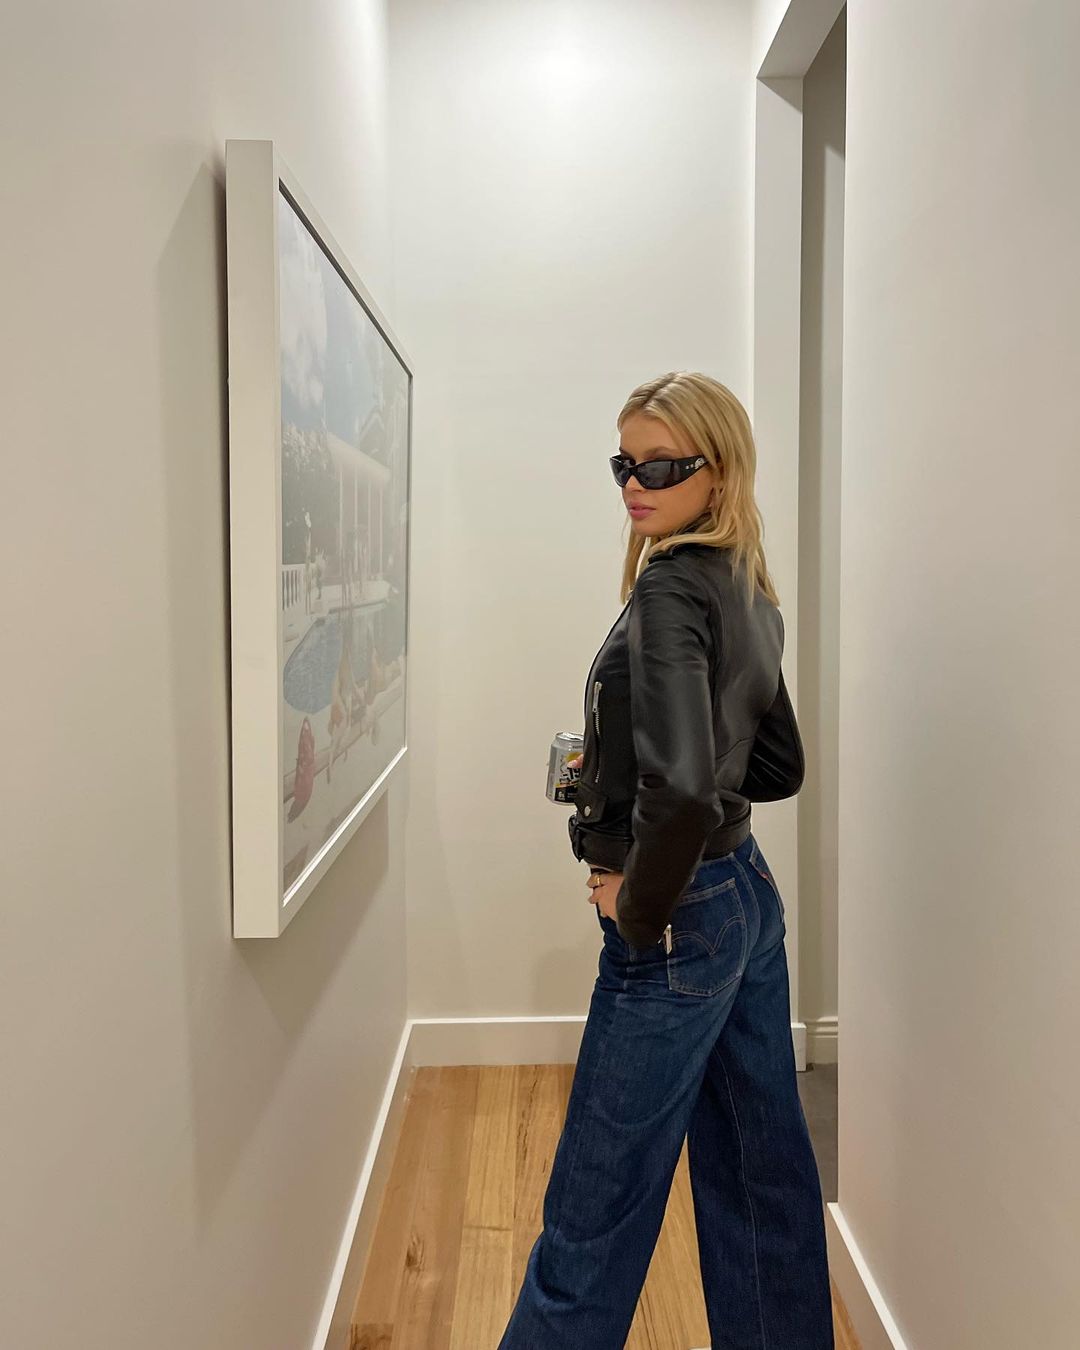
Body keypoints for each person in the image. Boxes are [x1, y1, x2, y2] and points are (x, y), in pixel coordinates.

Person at [497, 372, 834, 1349]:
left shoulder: (671, 586)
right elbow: (778, 764)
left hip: (682, 920)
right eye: (624, 464)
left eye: (660, 466)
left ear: (717, 472)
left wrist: (638, 906)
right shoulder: (748, 588)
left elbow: (684, 792)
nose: (634, 485)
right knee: (763, 1179)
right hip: (745, 898)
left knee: (593, 1214)